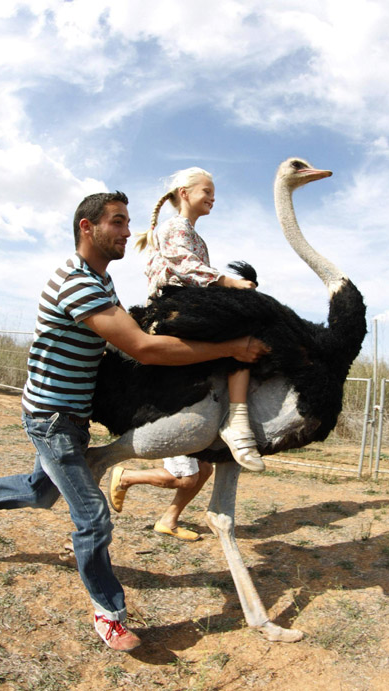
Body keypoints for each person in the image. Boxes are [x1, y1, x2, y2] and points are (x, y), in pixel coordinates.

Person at [0, 191, 266, 653]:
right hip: (50, 416)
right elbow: (141, 347)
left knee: (41, 492)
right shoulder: (78, 283)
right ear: (87, 228)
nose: (128, 231)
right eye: (117, 222)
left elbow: (139, 335)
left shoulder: (101, 281)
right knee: (92, 516)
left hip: (70, 415)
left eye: (127, 222)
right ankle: (110, 614)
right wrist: (229, 350)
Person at [108, 167, 267, 540]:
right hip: (171, 308)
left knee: (203, 470)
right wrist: (228, 282)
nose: (213, 196)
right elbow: (185, 267)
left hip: (184, 303)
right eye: (207, 190)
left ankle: (169, 520)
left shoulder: (192, 232)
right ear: (185, 192)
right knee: (243, 331)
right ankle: (238, 420)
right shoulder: (174, 228)